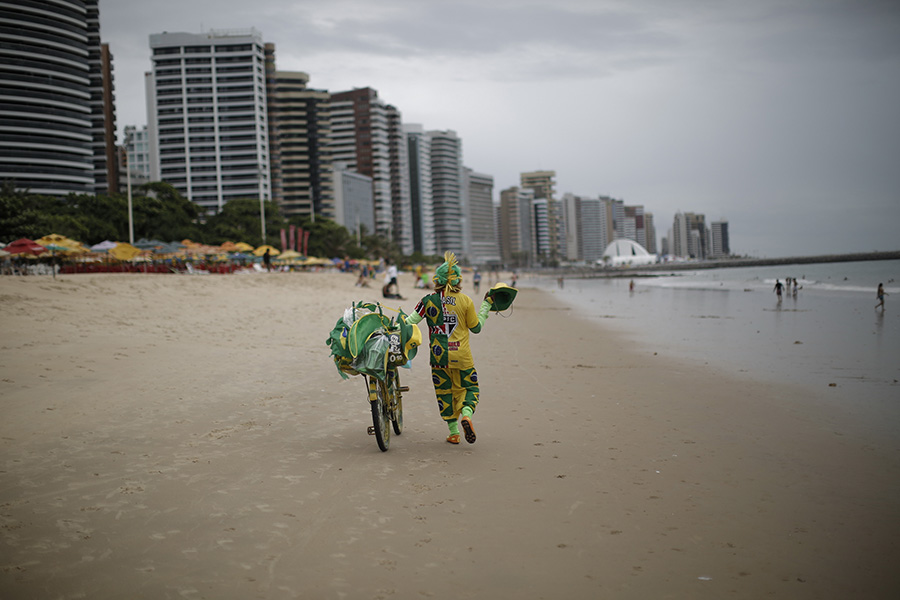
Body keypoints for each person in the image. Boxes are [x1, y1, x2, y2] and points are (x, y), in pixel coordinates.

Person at [406, 252, 493, 445]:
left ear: (437, 280)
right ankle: (467, 415)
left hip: (439, 358)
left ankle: (454, 433)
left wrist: (393, 326)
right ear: (458, 280)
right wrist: (486, 305)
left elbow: (409, 322)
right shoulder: (465, 300)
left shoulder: (427, 301)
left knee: (444, 392)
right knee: (470, 388)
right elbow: (476, 328)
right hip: (462, 356)